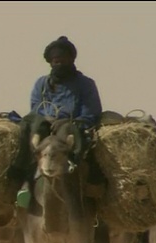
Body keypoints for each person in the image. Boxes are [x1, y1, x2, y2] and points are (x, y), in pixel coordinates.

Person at [10, 36, 103, 207]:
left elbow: (90, 112)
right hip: (45, 127)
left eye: (62, 60)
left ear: (71, 59)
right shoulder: (42, 84)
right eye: (55, 61)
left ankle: (85, 184)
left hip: (72, 128)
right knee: (29, 129)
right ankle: (23, 180)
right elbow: (36, 107)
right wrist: (47, 120)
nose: (58, 64)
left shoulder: (85, 84)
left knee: (72, 135)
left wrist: (69, 122)